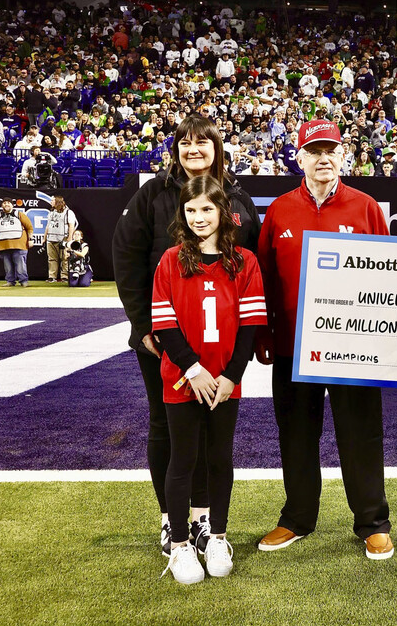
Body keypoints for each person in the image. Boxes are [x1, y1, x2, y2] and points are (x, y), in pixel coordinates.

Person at [113, 115, 260, 558]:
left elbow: (251, 261)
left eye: (202, 142)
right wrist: (144, 328)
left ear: (217, 146)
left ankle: (202, 520)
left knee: (212, 433)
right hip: (165, 339)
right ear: (174, 149)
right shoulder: (153, 194)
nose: (193, 149)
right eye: (184, 142)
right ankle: (170, 520)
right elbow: (127, 258)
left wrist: (243, 351)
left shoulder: (237, 197)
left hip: (220, 341)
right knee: (168, 427)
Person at [254, 119, 395, 560]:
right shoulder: (279, 209)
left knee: (361, 435)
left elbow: (391, 274)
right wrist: (266, 333)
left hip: (353, 349)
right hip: (294, 348)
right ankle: (297, 518)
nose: (323, 158)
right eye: (313, 151)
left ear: (343, 154)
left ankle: (372, 522)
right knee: (295, 434)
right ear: (299, 157)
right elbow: (265, 277)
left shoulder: (366, 207)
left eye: (330, 149)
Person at [154, 176, 267, 585]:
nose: (199, 217)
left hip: (223, 382)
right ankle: (181, 545)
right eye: (191, 210)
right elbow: (164, 325)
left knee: (220, 458)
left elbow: (251, 326)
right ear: (182, 214)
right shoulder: (170, 260)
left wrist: (230, 376)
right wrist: (193, 369)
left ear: (223, 211)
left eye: (207, 209)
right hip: (184, 380)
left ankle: (216, 536)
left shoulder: (245, 262)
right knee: (183, 460)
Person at [0, 198, 33, 287]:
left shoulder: (19, 215)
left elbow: (29, 227)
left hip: (19, 245)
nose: (6, 204)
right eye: (4, 203)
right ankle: (10, 281)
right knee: (8, 266)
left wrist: (30, 239)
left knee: (20, 265)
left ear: (12, 205)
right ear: (2, 205)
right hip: (3, 245)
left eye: (8, 203)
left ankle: (23, 281)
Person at [44, 195, 77, 284]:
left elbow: (71, 225)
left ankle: (65, 276)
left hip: (63, 238)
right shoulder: (51, 212)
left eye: (52, 201)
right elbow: (48, 225)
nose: (51, 202)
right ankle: (52, 276)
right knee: (51, 259)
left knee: (65, 259)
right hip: (51, 239)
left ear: (57, 202)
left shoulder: (68, 212)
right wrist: (45, 237)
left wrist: (69, 238)